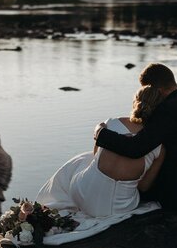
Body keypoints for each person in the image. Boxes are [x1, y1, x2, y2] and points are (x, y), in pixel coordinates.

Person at [94, 63, 177, 218]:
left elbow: (135, 148)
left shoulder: (168, 109)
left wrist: (101, 133)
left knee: (129, 190)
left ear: (156, 89)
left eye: (148, 90)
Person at [36, 85, 166, 218]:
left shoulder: (111, 123)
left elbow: (95, 154)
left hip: (83, 196)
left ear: (135, 103)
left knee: (83, 159)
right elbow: (143, 187)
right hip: (121, 208)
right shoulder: (159, 148)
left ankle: (49, 199)